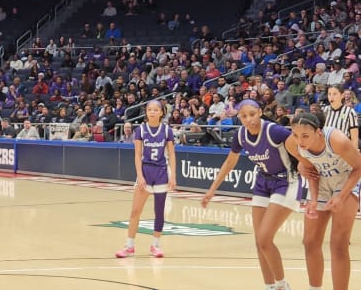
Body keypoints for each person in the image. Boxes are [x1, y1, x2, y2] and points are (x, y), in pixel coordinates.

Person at [201, 99, 302, 290]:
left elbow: (301, 153)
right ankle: (269, 286)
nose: (249, 119)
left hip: (286, 181)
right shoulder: (240, 135)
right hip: (263, 182)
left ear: (260, 112)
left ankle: (282, 285)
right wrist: (211, 190)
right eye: (244, 116)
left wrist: (315, 183)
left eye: (252, 114)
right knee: (259, 241)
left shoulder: (274, 131)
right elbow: (229, 163)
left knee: (264, 238)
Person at [291, 112, 361, 290]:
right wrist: (313, 200)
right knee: (310, 242)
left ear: (318, 133)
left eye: (305, 136)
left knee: (338, 244)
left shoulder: (337, 139)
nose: (300, 141)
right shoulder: (296, 145)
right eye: (296, 135)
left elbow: (359, 167)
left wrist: (341, 196)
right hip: (322, 181)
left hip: (346, 178)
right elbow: (311, 171)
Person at [115, 100, 176, 258]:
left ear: (161, 112)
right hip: (145, 171)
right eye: (149, 109)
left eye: (156, 110)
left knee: (159, 212)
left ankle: (155, 245)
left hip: (161, 173)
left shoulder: (167, 130)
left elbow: (172, 154)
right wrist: (140, 176)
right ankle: (129, 246)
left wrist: (173, 175)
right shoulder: (141, 130)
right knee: (135, 211)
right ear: (146, 112)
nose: (152, 112)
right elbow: (137, 155)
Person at [322, 84, 358, 150]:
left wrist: (354, 154)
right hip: (326, 149)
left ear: (342, 95)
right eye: (329, 94)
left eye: (334, 94)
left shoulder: (350, 112)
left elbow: (354, 138)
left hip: (343, 149)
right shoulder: (324, 110)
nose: (331, 97)